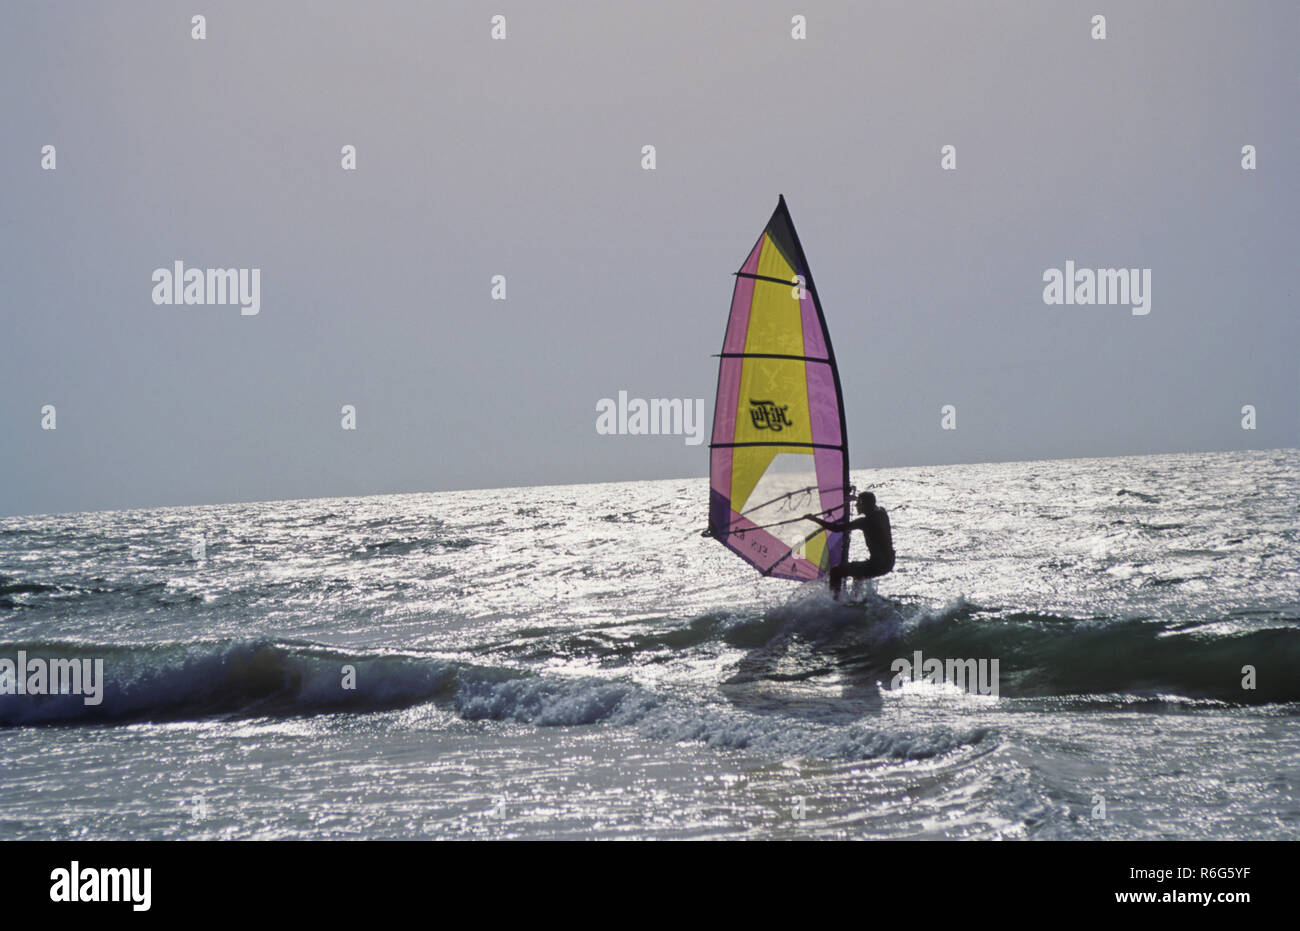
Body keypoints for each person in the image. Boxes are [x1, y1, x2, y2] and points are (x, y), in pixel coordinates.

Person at [804, 491, 894, 597]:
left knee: (835, 572)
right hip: (889, 563)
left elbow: (836, 528)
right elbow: (871, 503)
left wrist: (814, 519)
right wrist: (856, 498)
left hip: (876, 565)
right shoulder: (881, 512)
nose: (856, 506)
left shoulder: (865, 522)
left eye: (858, 503)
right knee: (857, 573)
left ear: (864, 505)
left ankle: (835, 601)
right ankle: (856, 600)